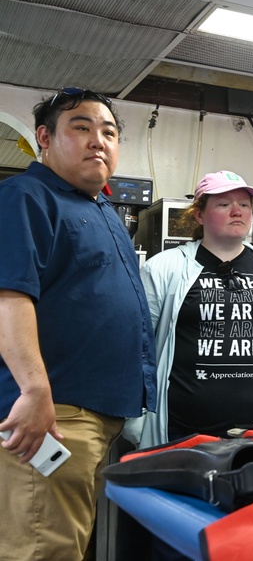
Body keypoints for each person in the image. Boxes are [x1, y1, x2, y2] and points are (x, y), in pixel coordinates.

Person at [0, 88, 157, 560]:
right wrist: (34, 392)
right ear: (45, 138)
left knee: (63, 541)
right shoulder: (26, 196)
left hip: (93, 415)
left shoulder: (101, 209)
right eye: (81, 128)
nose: (98, 141)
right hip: (52, 415)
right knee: (41, 545)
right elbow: (8, 296)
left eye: (108, 132)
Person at [131, 171, 253, 448]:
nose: (237, 211)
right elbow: (139, 345)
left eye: (244, 203)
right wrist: (138, 417)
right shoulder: (164, 267)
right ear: (199, 215)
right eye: (223, 204)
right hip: (187, 433)